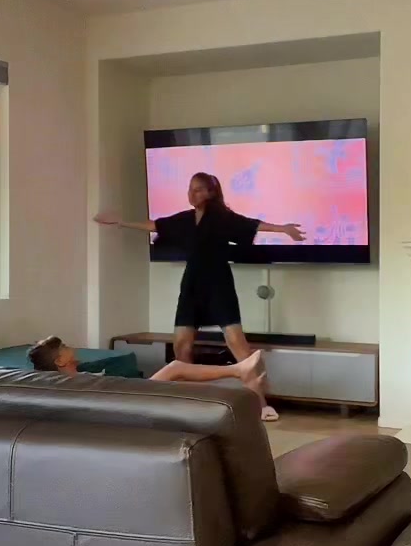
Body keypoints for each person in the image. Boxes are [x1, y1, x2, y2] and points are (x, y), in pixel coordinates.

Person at [94, 171, 306, 421]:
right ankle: (190, 403)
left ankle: (260, 404)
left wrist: (283, 229)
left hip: (218, 283)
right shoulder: (184, 219)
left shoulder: (223, 218)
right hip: (192, 284)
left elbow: (253, 224)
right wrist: (120, 222)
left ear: (210, 192)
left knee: (238, 345)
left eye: (197, 189)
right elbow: (155, 225)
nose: (191, 194)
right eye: (189, 189)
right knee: (181, 345)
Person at [28, 333, 267, 399]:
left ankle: (240, 381)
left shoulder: (73, 376)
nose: (70, 347)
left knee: (180, 378)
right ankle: (238, 371)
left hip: (131, 392)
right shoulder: (73, 382)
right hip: (132, 397)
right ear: (60, 361)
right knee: (175, 368)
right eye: (65, 347)